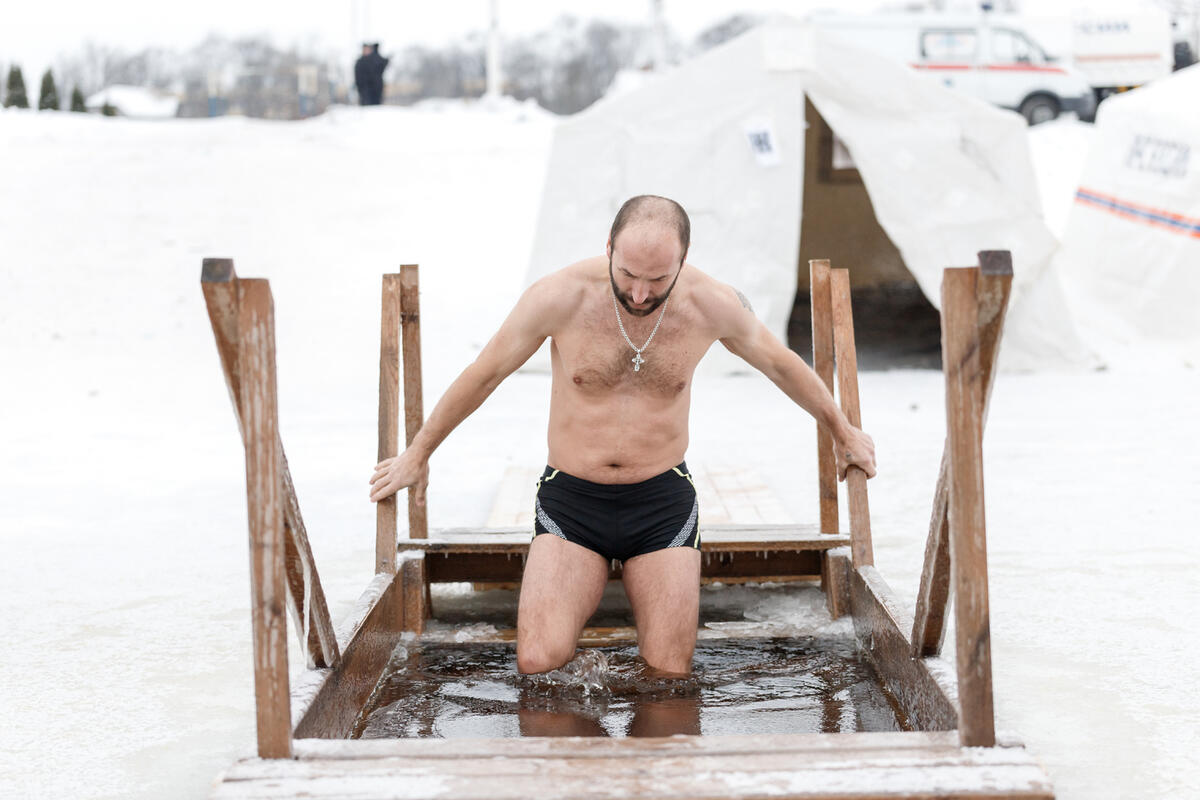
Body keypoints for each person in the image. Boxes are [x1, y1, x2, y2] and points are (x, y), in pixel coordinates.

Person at [369, 195, 876, 677]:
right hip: (572, 499)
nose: (639, 294)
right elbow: (485, 373)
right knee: (538, 661)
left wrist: (841, 430)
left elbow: (781, 365)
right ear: (608, 248)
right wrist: (419, 452)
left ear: (683, 261)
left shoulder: (712, 304)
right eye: (628, 274)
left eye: (657, 279)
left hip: (661, 501)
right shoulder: (559, 296)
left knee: (668, 672)